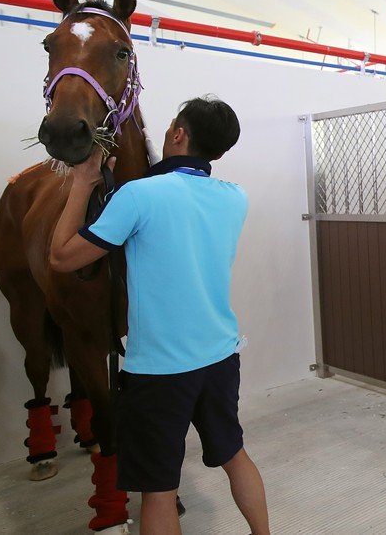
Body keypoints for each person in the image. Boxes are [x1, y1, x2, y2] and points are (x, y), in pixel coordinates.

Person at [49, 96, 269, 535]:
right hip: (221, 357)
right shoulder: (235, 197)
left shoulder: (139, 195)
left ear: (178, 134)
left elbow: (61, 257)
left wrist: (82, 183)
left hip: (159, 372)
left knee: (159, 490)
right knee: (234, 455)